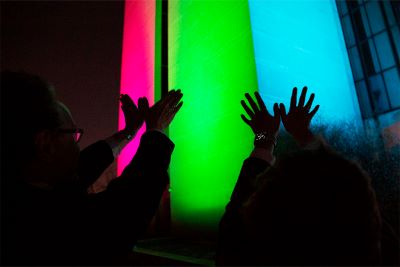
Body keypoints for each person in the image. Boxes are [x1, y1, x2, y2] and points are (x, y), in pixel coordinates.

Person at [0, 71, 183, 265]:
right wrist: (156, 131)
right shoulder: (46, 223)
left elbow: (80, 167)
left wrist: (129, 132)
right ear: (45, 143)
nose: (77, 145)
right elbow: (125, 209)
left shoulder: (21, 194)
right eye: (73, 134)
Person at [217, 87, 383, 265]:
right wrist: (302, 134)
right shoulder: (364, 245)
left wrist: (265, 138)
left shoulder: (243, 249)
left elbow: (232, 229)